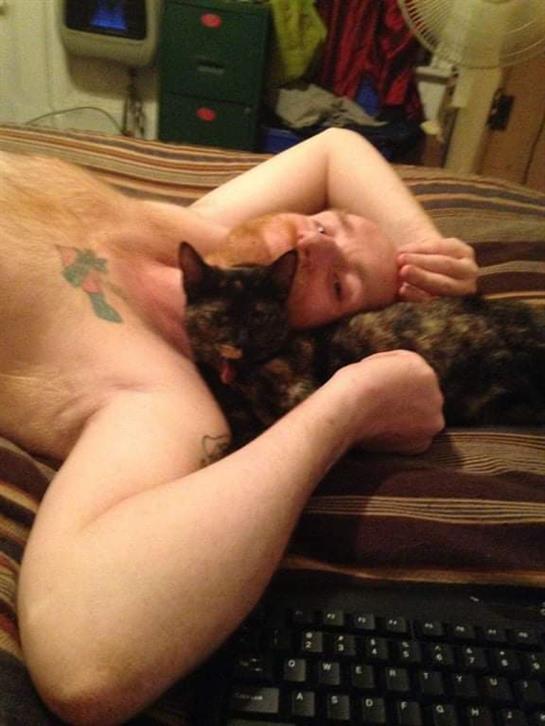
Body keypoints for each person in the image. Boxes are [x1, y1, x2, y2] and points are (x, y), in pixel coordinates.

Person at [1, 129, 476, 724]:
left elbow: (83, 666)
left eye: (339, 285)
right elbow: (336, 148)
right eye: (328, 224)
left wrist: (350, 404)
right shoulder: (202, 233)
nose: (313, 244)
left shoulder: (166, 397)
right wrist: (428, 253)